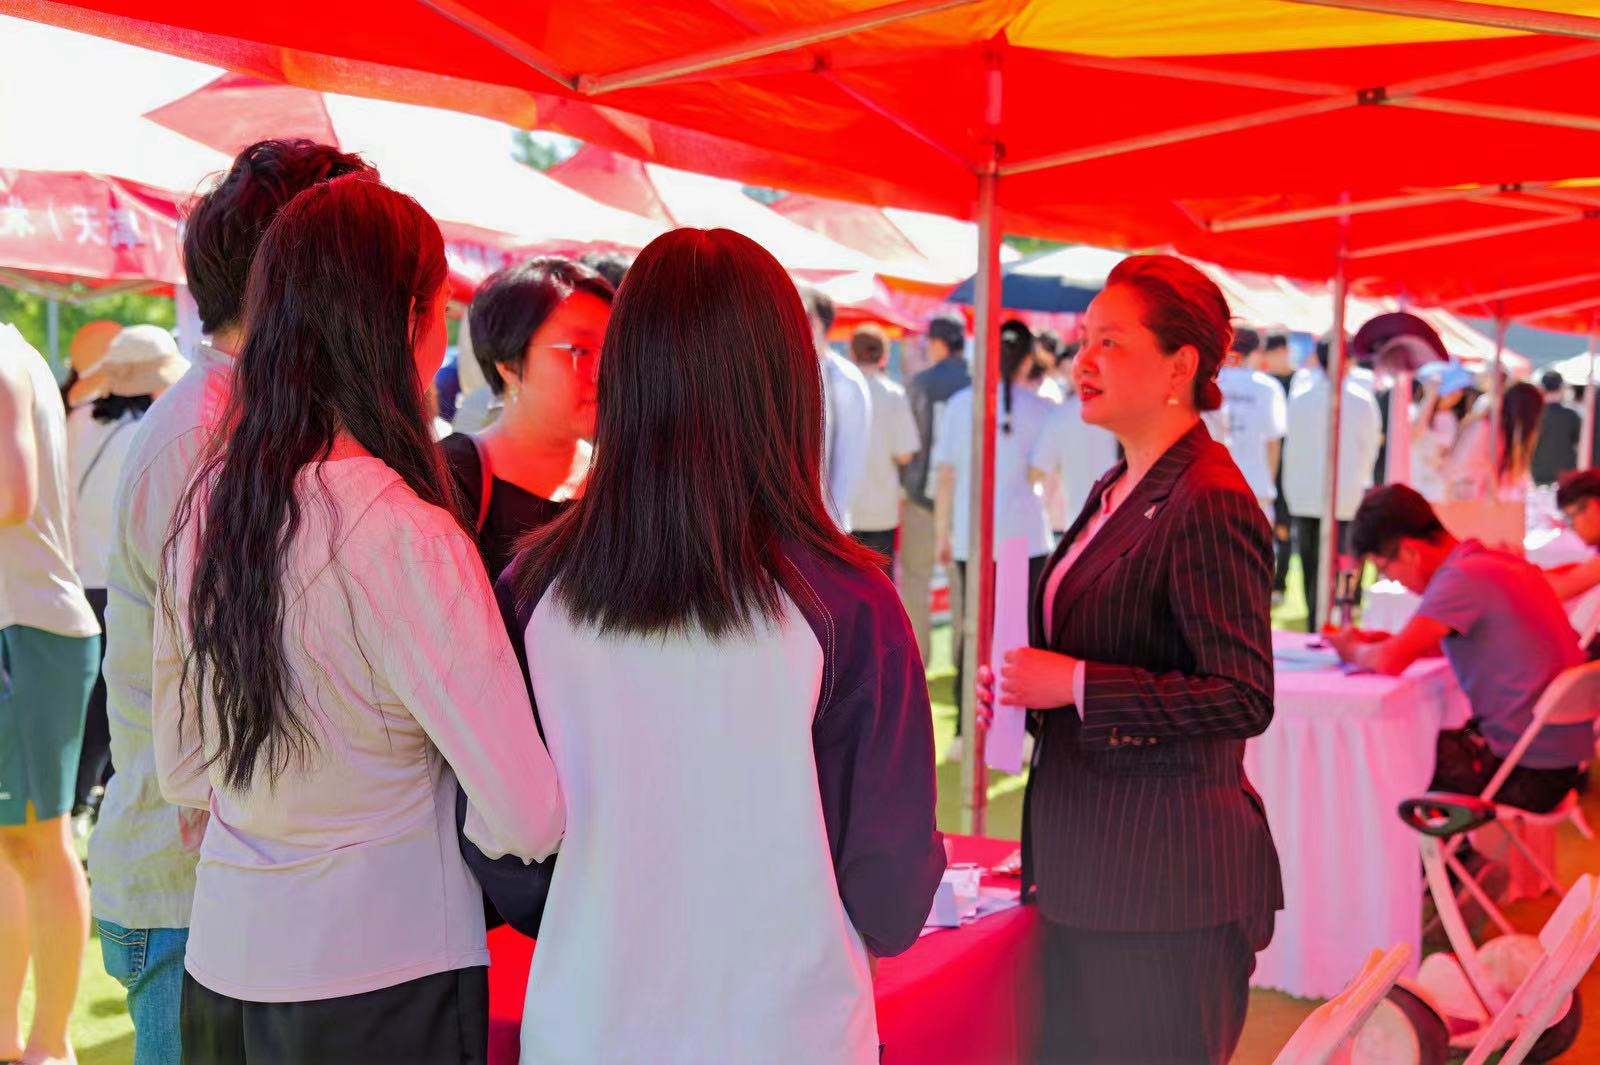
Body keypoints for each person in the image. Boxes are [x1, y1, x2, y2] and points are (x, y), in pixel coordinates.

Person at [485, 228, 943, 1063]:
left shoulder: (533, 590)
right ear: (787, 381)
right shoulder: (847, 601)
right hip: (788, 1033)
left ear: (626, 375)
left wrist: (605, 905)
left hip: (586, 1024)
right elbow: (892, 885)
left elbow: (502, 847)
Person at [154, 174, 563, 1062]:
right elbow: (528, 813)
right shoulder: (401, 530)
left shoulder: (211, 501)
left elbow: (183, 766)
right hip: (383, 970)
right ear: (406, 320)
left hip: (226, 961)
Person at [89, 139, 374, 1065]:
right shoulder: (210, 437)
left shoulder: (244, 416)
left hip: (223, 885)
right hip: (193, 895)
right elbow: (223, 703)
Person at [985, 254, 1281, 1063]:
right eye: (1084, 340)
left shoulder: (1209, 498)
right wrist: (1030, 693)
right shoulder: (1118, 483)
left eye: (1110, 342)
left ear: (1180, 366)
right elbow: (1110, 650)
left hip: (1163, 885)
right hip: (1091, 869)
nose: (1083, 360)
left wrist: (1076, 683)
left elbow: (1241, 693)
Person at [1328, 485, 1588, 813]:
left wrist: (1350, 649)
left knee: (1385, 758)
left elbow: (1388, 662)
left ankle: (1402, 850)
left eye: (1384, 569)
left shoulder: (1459, 578)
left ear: (1409, 551)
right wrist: (1386, 642)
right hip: (1558, 764)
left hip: (1524, 772)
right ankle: (1448, 849)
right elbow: (1448, 643)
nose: (1393, 581)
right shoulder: (1491, 562)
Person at [0, 323, 101, 1065]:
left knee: (38, 842)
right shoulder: (15, 353)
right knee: (16, 846)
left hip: (28, 631)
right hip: (28, 628)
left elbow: (12, 492)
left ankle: (49, 1044)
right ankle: (15, 1036)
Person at [64, 325, 188, 827]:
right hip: (127, 581)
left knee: (94, 698)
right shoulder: (151, 431)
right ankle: (105, 798)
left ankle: (79, 796)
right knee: (128, 696)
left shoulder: (78, 421)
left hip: (78, 576)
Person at [440, 258, 613, 579]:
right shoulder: (451, 478)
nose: (602, 372)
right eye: (579, 350)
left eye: (611, 351)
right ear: (508, 364)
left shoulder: (615, 479)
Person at [934, 320, 1055, 745]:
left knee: (975, 633)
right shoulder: (1043, 408)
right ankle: (1023, 730)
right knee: (1022, 636)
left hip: (975, 537)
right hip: (1024, 535)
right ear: (1027, 359)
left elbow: (946, 476)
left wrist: (943, 533)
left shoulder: (960, 405)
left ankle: (967, 731)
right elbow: (1042, 474)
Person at [1282, 339, 1383, 629]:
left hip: (1307, 494)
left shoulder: (1302, 397)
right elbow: (1370, 448)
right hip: (1344, 496)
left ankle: (1318, 620)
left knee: (1312, 563)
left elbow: (1292, 446)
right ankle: (1338, 618)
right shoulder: (1361, 400)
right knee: (1343, 563)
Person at [900, 315, 970, 663]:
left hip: (921, 497)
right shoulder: (974, 383)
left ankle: (918, 660)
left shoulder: (920, 383)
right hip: (964, 499)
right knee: (962, 584)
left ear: (938, 343)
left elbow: (907, 444)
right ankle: (962, 660)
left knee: (915, 580)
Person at [846, 323, 919, 578]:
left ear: (852, 353)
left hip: (842, 506)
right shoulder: (894, 394)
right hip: (881, 508)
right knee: (880, 586)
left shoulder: (838, 389)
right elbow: (905, 454)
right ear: (884, 356)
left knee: (845, 586)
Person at [800, 286, 872, 531]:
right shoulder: (792, 371)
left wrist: (830, 527)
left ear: (817, 323)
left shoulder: (844, 378)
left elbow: (850, 460)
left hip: (823, 527)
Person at [1031, 344, 1121, 539]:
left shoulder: (1059, 414)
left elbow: (1036, 471)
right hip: (1117, 524)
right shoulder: (1122, 410)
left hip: (1069, 525)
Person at [1214, 327, 1288, 521]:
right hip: (1255, 484)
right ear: (1256, 352)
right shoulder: (1268, 387)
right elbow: (1273, 443)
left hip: (1214, 483)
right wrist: (1268, 484)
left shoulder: (1213, 382)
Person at [1445, 381, 1544, 501]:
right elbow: (1459, 472)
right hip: (1474, 503)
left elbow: (1518, 480)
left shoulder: (1509, 437)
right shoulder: (1484, 428)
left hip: (1493, 505)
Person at [1256, 332, 1295, 602]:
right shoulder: (1266, 384)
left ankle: (1280, 584)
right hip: (1269, 465)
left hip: (1290, 466)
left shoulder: (1298, 383)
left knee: (1284, 528)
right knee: (1268, 528)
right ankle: (1267, 582)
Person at [1410, 363, 1478, 502]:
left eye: (1459, 391)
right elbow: (1414, 436)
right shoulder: (1414, 411)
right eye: (1452, 391)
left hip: (1439, 490)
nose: (1457, 395)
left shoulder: (1450, 419)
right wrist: (1430, 397)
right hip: (1415, 485)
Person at [1533, 370, 1582, 487]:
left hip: (1538, 476)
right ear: (1561, 388)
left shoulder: (1533, 415)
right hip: (1566, 477)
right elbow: (1579, 444)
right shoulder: (1571, 416)